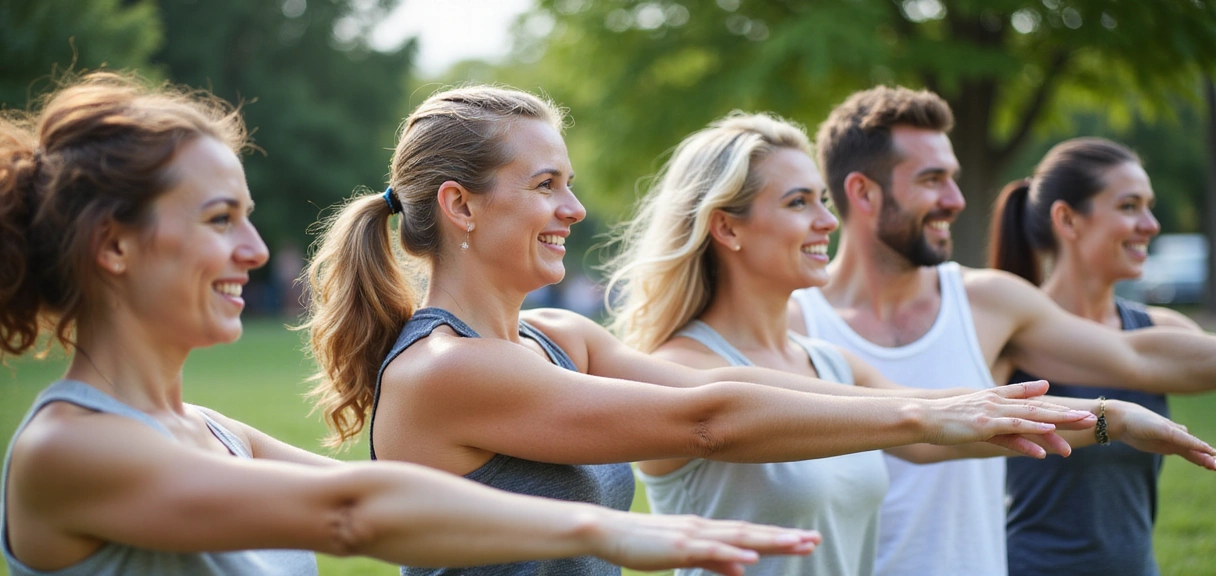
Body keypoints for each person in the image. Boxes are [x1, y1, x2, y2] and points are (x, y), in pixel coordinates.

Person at [0, 71, 833, 576]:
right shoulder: (69, 450)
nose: (254, 251)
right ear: (112, 245)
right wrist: (610, 531)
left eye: (247, 219)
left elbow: (412, 495)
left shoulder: (216, 434)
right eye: (221, 219)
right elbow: (354, 515)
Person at [302, 84, 1131, 576]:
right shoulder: (445, 371)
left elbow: (739, 388)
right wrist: (922, 415)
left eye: (570, 182)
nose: (574, 209)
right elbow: (706, 422)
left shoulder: (561, 337)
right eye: (547, 184)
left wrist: (1087, 417)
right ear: (461, 207)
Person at [601, 112, 1212, 576]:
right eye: (797, 203)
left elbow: (952, 423)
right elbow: (722, 411)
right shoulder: (674, 367)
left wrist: (1113, 419)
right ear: (727, 226)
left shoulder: (833, 363)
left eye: (821, 198)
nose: (827, 221)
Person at [787, 86, 1216, 576]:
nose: (956, 199)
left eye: (953, 178)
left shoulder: (989, 301)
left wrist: (1112, 416)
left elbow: (1138, 357)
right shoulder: (795, 325)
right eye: (932, 179)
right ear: (863, 191)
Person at [990, 137, 1205, 575]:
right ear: (1067, 219)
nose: (1151, 223)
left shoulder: (1162, 331)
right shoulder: (1008, 339)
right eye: (1129, 206)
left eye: (1149, 205)